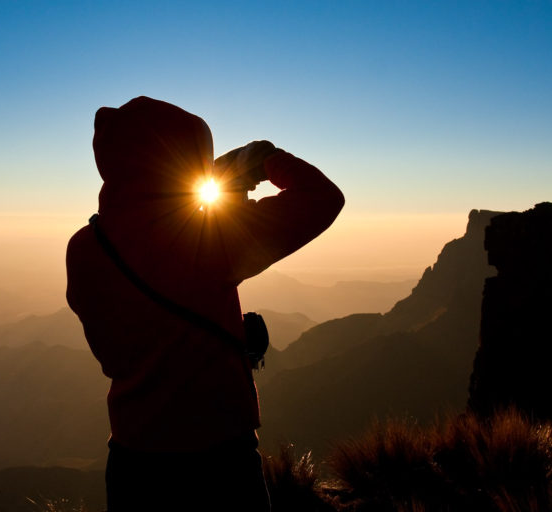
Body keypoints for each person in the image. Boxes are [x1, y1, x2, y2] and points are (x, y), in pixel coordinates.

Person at [66, 96, 344, 511]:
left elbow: (114, 355)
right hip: (219, 458)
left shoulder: (86, 248)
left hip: (133, 461)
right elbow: (323, 198)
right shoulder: (210, 239)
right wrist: (266, 158)